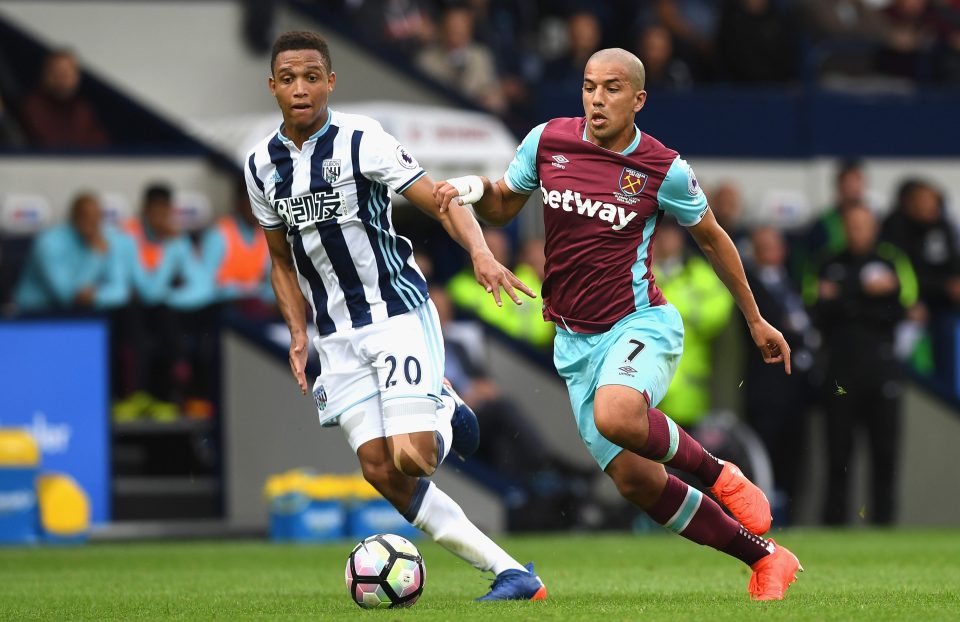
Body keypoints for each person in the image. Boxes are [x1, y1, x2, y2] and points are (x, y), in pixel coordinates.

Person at [435, 47, 801, 601]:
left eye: (610, 88)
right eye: (588, 86)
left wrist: (755, 318)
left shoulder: (663, 168)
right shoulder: (547, 140)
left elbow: (713, 238)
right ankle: (767, 559)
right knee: (636, 481)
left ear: (638, 99)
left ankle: (723, 474)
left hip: (640, 323)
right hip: (574, 343)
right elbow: (506, 203)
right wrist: (472, 188)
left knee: (618, 413)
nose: (596, 99)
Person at [245, 31, 545, 601]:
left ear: (331, 82)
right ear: (273, 87)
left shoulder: (364, 141)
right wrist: (296, 333)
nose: (301, 88)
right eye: (289, 79)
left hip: (395, 315)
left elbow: (440, 198)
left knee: (413, 455)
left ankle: (447, 404)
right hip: (334, 338)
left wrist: (480, 252)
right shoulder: (261, 168)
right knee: (382, 471)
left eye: (312, 76)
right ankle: (513, 574)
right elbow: (280, 261)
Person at [807, 203, 917, 525]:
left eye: (863, 224)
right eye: (851, 225)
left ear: (874, 227)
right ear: (844, 227)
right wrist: (865, 294)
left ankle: (884, 523)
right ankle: (835, 523)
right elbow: (815, 310)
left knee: (885, 451)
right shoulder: (826, 261)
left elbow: (905, 308)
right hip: (840, 372)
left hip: (882, 368)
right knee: (838, 451)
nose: (857, 231)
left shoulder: (891, 260)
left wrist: (843, 298)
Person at [652, 217, 734, 428]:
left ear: (680, 238)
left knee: (684, 454)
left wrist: (681, 309)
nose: (663, 241)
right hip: (645, 388)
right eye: (659, 235)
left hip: (688, 393)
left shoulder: (700, 273)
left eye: (669, 235)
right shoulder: (639, 271)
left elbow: (719, 312)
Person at [15, 192, 130, 313]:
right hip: (34, 314)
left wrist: (96, 297)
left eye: (96, 218)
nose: (92, 224)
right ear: (73, 217)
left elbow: (120, 291)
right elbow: (67, 295)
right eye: (85, 217)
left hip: (84, 313)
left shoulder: (105, 239)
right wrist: (95, 255)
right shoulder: (49, 243)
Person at [18, 49, 108, 149]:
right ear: (45, 75)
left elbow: (99, 144)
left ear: (76, 77)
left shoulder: (83, 109)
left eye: (66, 74)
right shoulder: (33, 106)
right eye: (56, 73)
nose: (61, 79)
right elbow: (51, 143)